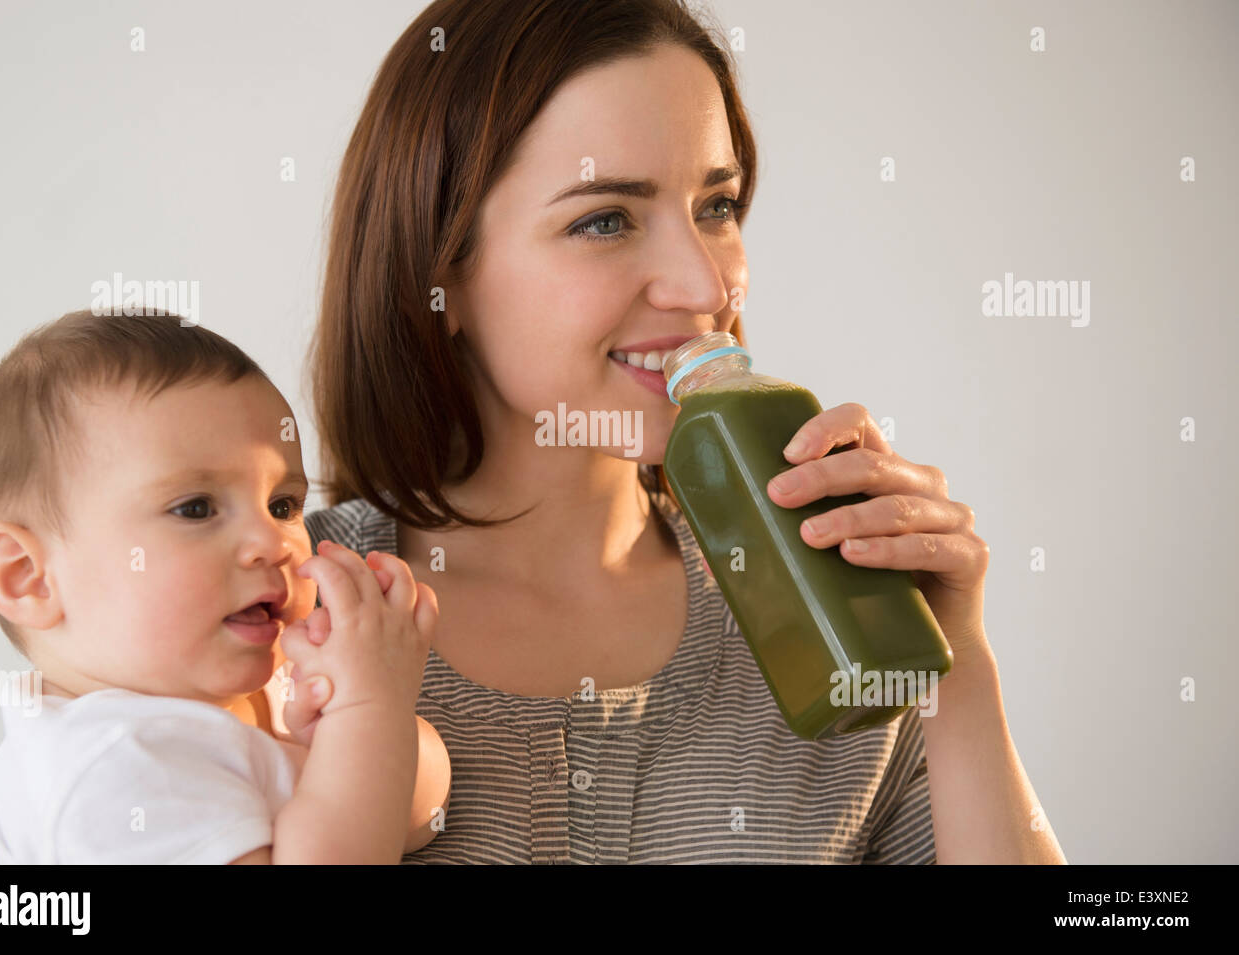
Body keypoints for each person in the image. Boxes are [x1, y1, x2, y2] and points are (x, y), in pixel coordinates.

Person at [284, 0, 1067, 863]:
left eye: (718, 205)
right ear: (442, 275)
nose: (702, 285)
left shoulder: (838, 620)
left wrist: (953, 672)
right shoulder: (279, 609)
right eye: (606, 219)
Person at [0, 309, 450, 864]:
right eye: (196, 508)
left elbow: (421, 815)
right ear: (28, 577)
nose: (272, 541)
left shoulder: (262, 695)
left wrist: (349, 730)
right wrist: (368, 709)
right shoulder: (109, 770)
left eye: (282, 505)